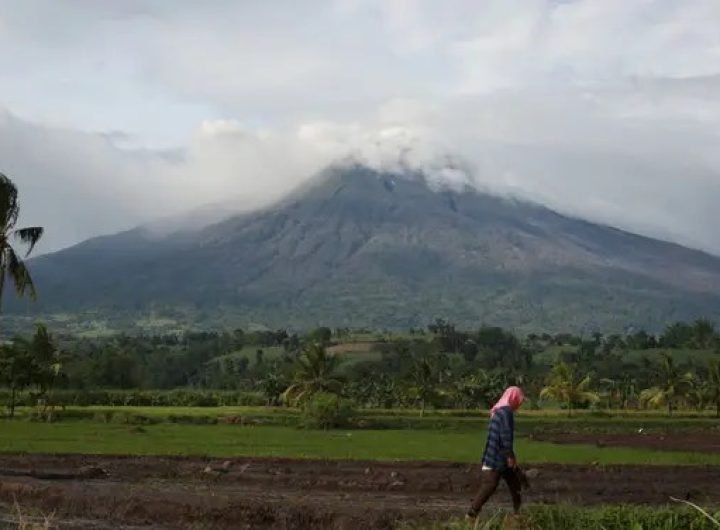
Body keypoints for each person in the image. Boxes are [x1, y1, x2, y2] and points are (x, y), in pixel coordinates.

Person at [467, 386, 525, 519]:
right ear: (513, 398)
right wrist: (510, 456)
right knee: (490, 484)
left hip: (498, 453)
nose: (520, 403)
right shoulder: (506, 412)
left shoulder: (498, 410)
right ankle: (471, 514)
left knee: (515, 483)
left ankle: (518, 514)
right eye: (519, 400)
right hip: (497, 455)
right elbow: (505, 435)